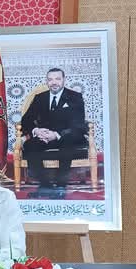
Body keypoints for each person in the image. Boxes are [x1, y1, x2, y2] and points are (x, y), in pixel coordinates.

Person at [20, 68, 88, 199]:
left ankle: (61, 186)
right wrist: (36, 131)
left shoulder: (75, 97)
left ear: (64, 80)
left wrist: (56, 134)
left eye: (57, 79)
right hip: (44, 137)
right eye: (50, 79)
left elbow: (78, 124)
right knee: (30, 145)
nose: (54, 82)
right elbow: (26, 120)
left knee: (68, 142)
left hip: (67, 136)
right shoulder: (40, 98)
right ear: (46, 81)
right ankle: (45, 186)